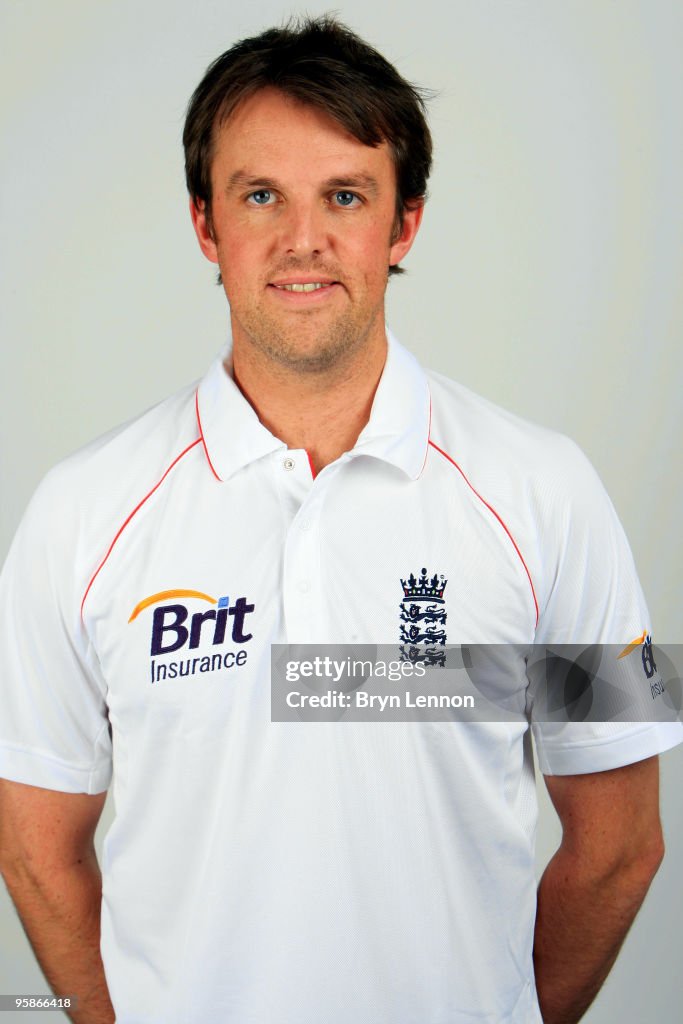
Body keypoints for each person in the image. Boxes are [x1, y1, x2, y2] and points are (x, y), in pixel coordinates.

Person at [0, 15, 680, 1024]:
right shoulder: (78, 511)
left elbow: (624, 844)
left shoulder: (551, 490)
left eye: (346, 196)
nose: (302, 239)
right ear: (204, 224)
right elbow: (33, 847)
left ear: (401, 225)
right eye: (260, 194)